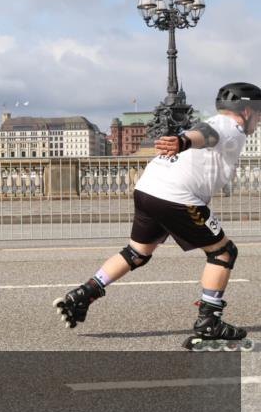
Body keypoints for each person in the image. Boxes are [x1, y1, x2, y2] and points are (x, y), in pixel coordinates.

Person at [55, 81, 261, 348]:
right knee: (223, 252)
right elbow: (206, 134)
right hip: (176, 195)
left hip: (148, 188)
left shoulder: (216, 122)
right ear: (246, 112)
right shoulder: (229, 127)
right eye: (259, 113)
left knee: (136, 253)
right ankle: (209, 321)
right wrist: (183, 141)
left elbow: (204, 135)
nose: (258, 120)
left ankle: (85, 294)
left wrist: (183, 140)